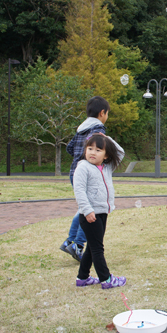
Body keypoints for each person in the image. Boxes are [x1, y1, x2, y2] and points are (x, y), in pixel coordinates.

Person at [73, 133, 126, 289]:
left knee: (92, 246)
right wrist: (87, 210)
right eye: (90, 148)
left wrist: (106, 137)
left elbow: (120, 152)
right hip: (89, 215)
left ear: (106, 155)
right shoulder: (83, 167)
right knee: (97, 248)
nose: (92, 152)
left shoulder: (107, 167)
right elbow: (79, 191)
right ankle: (106, 279)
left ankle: (82, 278)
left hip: (102, 213)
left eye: (98, 150)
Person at [60, 96, 109, 262]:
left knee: (83, 207)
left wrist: (78, 157)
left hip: (74, 171)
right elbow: (102, 149)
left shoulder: (81, 129)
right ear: (102, 113)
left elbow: (69, 148)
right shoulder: (98, 129)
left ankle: (69, 241)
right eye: (107, 113)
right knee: (90, 210)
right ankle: (78, 245)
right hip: (88, 175)